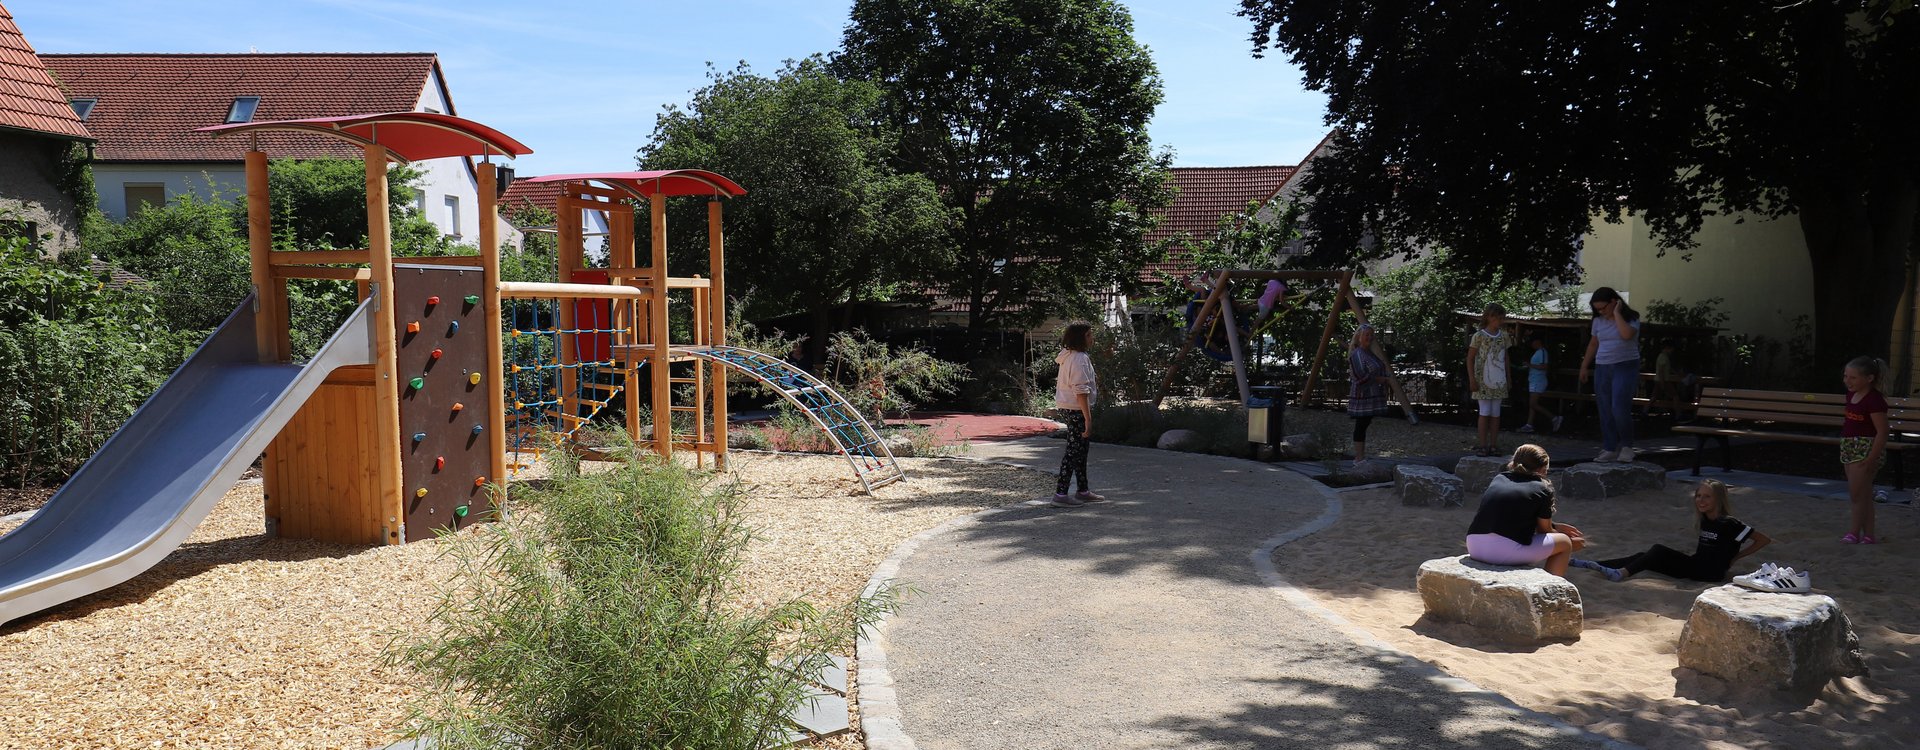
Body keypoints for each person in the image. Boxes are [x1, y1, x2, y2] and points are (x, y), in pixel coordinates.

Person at [1571, 479, 1771, 582]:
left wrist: (1735, 558)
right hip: (1696, 565)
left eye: (1707, 497)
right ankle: (1591, 565)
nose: (1700, 500)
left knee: (1658, 550)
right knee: (1645, 556)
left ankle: (1620, 574)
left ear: (1718, 499)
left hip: (1710, 573)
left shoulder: (1729, 523)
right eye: (1698, 495)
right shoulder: (1705, 519)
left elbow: (1762, 540)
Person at [1465, 444, 1585, 576]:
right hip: (1502, 551)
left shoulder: (1500, 478)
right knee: (1564, 543)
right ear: (1543, 469)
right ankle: (1550, 590)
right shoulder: (1542, 489)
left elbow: (1511, 515)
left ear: (1514, 463)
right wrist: (1568, 540)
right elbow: (1543, 531)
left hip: (1474, 546)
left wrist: (1556, 526)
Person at [1579, 287, 1642, 462]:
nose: (1600, 312)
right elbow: (1593, 344)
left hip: (1625, 366)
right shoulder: (1598, 321)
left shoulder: (1632, 318)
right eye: (1597, 309)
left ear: (1614, 301)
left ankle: (1627, 446)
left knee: (1619, 408)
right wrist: (1584, 366)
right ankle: (1610, 447)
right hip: (1603, 366)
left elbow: (1626, 334)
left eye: (1603, 307)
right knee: (1605, 408)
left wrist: (1616, 314)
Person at [1051, 322, 1108, 508]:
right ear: (1080, 338)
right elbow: (1081, 391)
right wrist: (1088, 419)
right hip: (1076, 409)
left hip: (1068, 407)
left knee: (1081, 449)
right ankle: (1061, 494)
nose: (1092, 338)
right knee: (1073, 451)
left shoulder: (1068, 356)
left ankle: (1082, 490)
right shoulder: (1079, 359)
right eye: (1089, 335)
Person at [1840, 356, 1889, 543]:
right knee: (1864, 493)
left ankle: (1853, 532)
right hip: (1849, 445)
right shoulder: (1851, 395)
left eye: (1853, 378)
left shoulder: (1874, 400)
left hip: (1866, 447)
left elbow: (1883, 431)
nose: (1847, 381)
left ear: (1869, 378)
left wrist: (1872, 458)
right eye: (1846, 376)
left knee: (1857, 493)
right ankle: (1868, 534)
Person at [1466, 303, 1513, 457]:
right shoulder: (1478, 336)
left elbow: (1506, 358)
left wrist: (1508, 377)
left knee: (1495, 413)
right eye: (1497, 318)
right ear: (1488, 317)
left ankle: (1493, 445)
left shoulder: (1504, 336)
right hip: (1482, 380)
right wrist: (1472, 379)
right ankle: (1482, 445)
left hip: (1499, 380)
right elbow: (1470, 358)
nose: (1500, 321)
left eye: (1502, 318)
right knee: (1484, 412)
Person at [1348, 324, 1392, 463]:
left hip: (1372, 393)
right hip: (1363, 395)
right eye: (1367, 334)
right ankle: (1359, 457)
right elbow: (1360, 376)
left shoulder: (1369, 352)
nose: (1370, 337)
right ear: (1359, 337)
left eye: (1371, 335)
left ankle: (1361, 456)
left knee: (1365, 423)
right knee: (1361, 424)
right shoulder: (1357, 354)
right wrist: (1381, 379)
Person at [1519, 334, 1562, 434]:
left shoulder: (1542, 352)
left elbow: (1544, 367)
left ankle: (1554, 418)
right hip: (1533, 379)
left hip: (1538, 380)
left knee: (1533, 404)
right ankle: (1529, 424)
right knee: (1532, 404)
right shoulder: (1537, 353)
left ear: (1537, 342)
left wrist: (1529, 365)